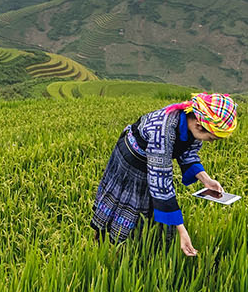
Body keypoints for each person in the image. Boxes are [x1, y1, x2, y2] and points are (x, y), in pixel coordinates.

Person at [90, 93, 238, 256]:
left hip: (151, 158)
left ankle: (145, 243)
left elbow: (188, 153)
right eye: (211, 138)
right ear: (198, 125)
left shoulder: (192, 120)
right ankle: (107, 246)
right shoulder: (164, 130)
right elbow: (161, 181)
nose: (210, 141)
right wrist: (181, 230)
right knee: (127, 202)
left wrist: (206, 180)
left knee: (151, 207)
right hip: (131, 159)